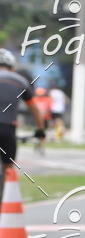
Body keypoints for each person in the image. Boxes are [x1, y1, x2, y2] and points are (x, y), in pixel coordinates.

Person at [0, 49, 45, 204]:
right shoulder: (20, 81)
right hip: (8, 130)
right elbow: (34, 109)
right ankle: (4, 204)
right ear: (12, 66)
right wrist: (40, 130)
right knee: (8, 169)